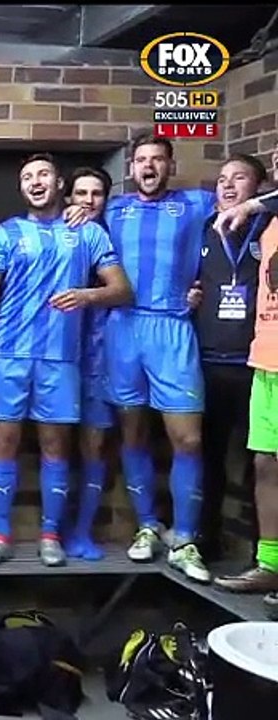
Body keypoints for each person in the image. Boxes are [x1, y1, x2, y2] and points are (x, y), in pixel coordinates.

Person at [0, 152, 132, 569]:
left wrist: (87, 295)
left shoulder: (87, 233)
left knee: (56, 449)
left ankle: (50, 535)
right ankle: (1, 535)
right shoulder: (4, 234)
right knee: (3, 446)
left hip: (61, 359)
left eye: (42, 175)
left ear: (58, 184)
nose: (34, 182)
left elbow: (122, 289)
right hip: (7, 356)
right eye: (26, 177)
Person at [104, 134, 217, 582]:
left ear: (171, 166)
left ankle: (185, 538)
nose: (148, 167)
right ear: (130, 168)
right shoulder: (112, 208)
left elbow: (254, 203)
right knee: (132, 433)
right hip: (124, 328)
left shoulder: (196, 203)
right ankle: (148, 525)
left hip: (172, 329)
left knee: (187, 439)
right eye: (141, 160)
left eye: (157, 160)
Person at [190, 154, 268, 563]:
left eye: (239, 178)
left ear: (258, 186)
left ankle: (263, 551)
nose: (228, 185)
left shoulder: (269, 224)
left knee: (262, 461)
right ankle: (208, 538)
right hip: (209, 360)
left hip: (255, 365)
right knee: (210, 456)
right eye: (222, 179)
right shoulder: (205, 228)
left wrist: (260, 207)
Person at [209, 184, 278, 595]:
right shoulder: (267, 221)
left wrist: (253, 203)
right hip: (265, 358)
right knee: (266, 464)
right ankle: (270, 563)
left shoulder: (260, 208)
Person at [62, 167, 117, 561]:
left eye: (97, 193)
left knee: (95, 448)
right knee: (57, 449)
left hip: (105, 359)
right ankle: (56, 530)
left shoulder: (114, 235)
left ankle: (82, 532)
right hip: (59, 358)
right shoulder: (56, 233)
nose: (88, 200)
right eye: (80, 192)